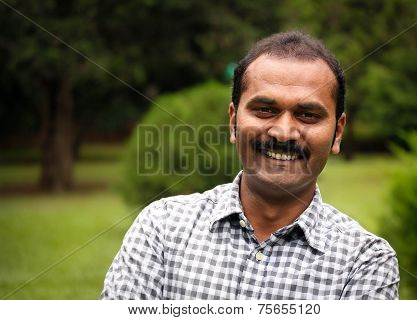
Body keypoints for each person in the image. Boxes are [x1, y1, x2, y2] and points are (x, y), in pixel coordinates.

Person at [101, 31, 399, 299]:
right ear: (233, 122)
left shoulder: (365, 263)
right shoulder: (162, 229)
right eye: (265, 110)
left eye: (308, 114)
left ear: (337, 132)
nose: (283, 132)